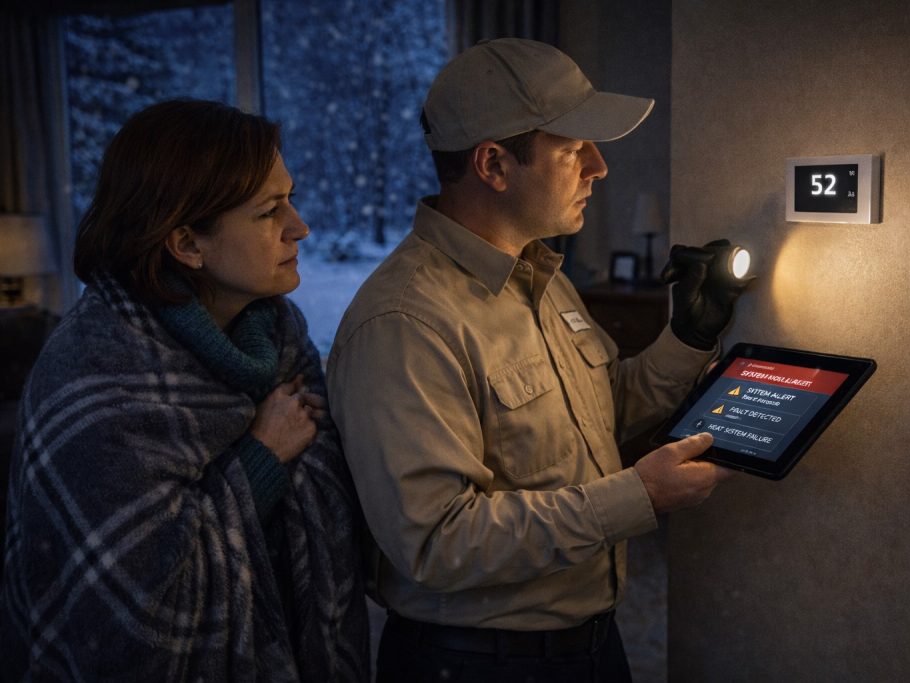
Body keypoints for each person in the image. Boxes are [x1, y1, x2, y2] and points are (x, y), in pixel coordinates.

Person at [327, 39, 744, 682]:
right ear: (494, 164)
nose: (599, 167)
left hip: (591, 644)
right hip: (477, 665)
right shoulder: (404, 323)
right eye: (574, 149)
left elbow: (601, 414)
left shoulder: (539, 276)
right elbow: (436, 541)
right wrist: (636, 496)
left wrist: (689, 334)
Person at [0, 99, 369, 680]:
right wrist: (261, 458)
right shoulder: (96, 374)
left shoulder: (280, 337)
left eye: (290, 198)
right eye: (269, 211)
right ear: (188, 245)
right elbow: (130, 622)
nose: (300, 227)